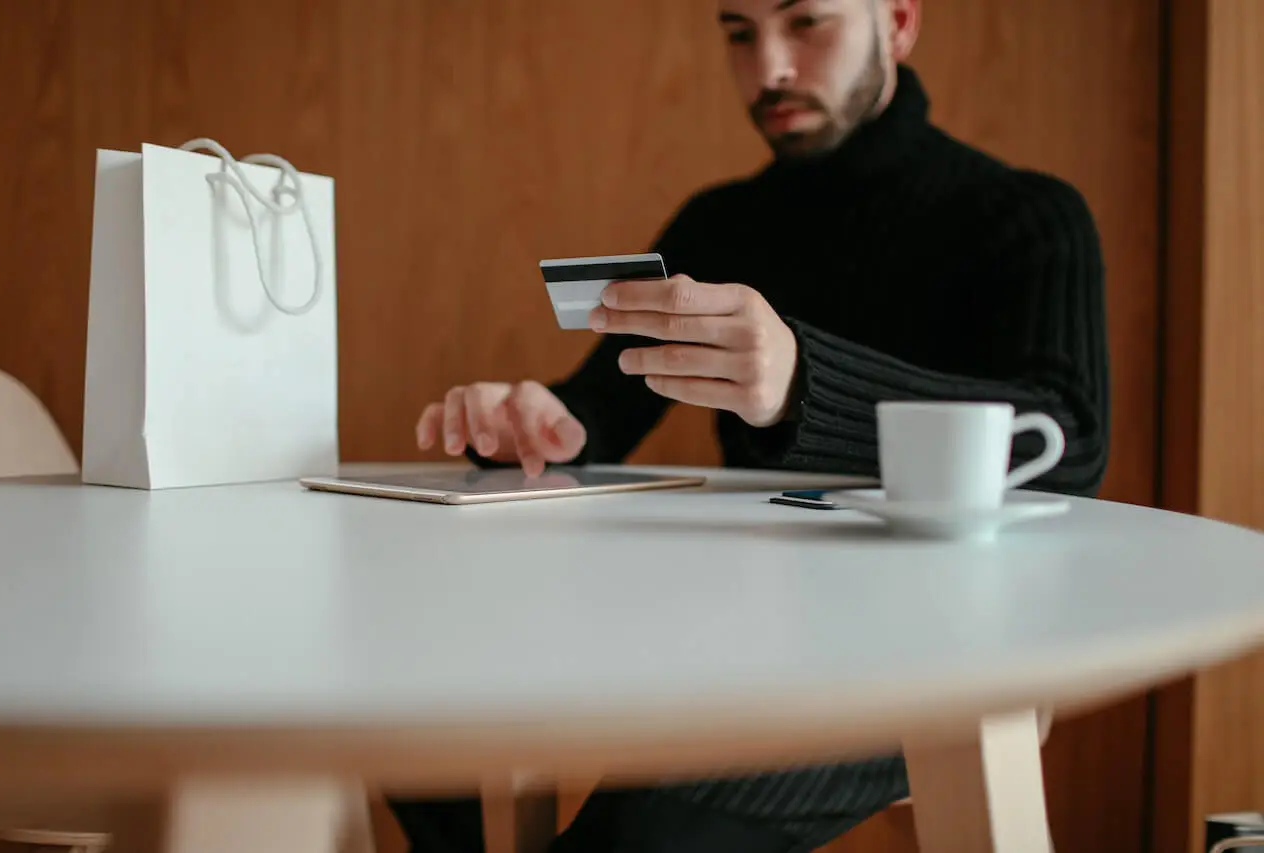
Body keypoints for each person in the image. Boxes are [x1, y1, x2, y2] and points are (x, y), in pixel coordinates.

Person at [398, 0, 1109, 850]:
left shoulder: (1028, 216)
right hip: (729, 624)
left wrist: (805, 381)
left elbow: (1070, 440)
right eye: (739, 32)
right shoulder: (719, 225)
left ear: (900, 22)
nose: (768, 66)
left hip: (944, 644)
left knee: (647, 830)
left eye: (806, 21)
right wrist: (535, 424)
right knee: (404, 716)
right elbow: (599, 408)